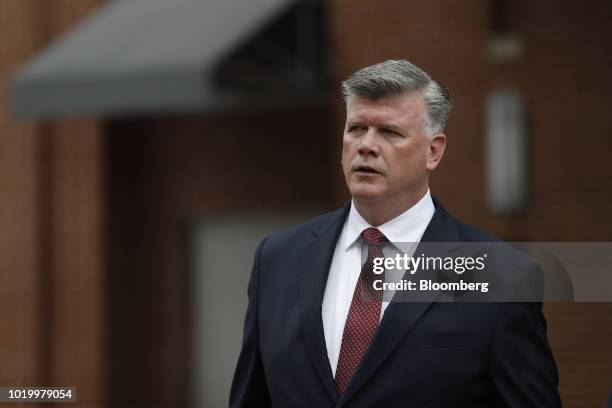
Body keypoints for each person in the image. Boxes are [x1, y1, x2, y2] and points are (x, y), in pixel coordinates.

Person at [230, 59, 561, 407]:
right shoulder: (278, 259)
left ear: (433, 151)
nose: (367, 146)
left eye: (389, 132)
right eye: (356, 129)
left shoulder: (502, 278)